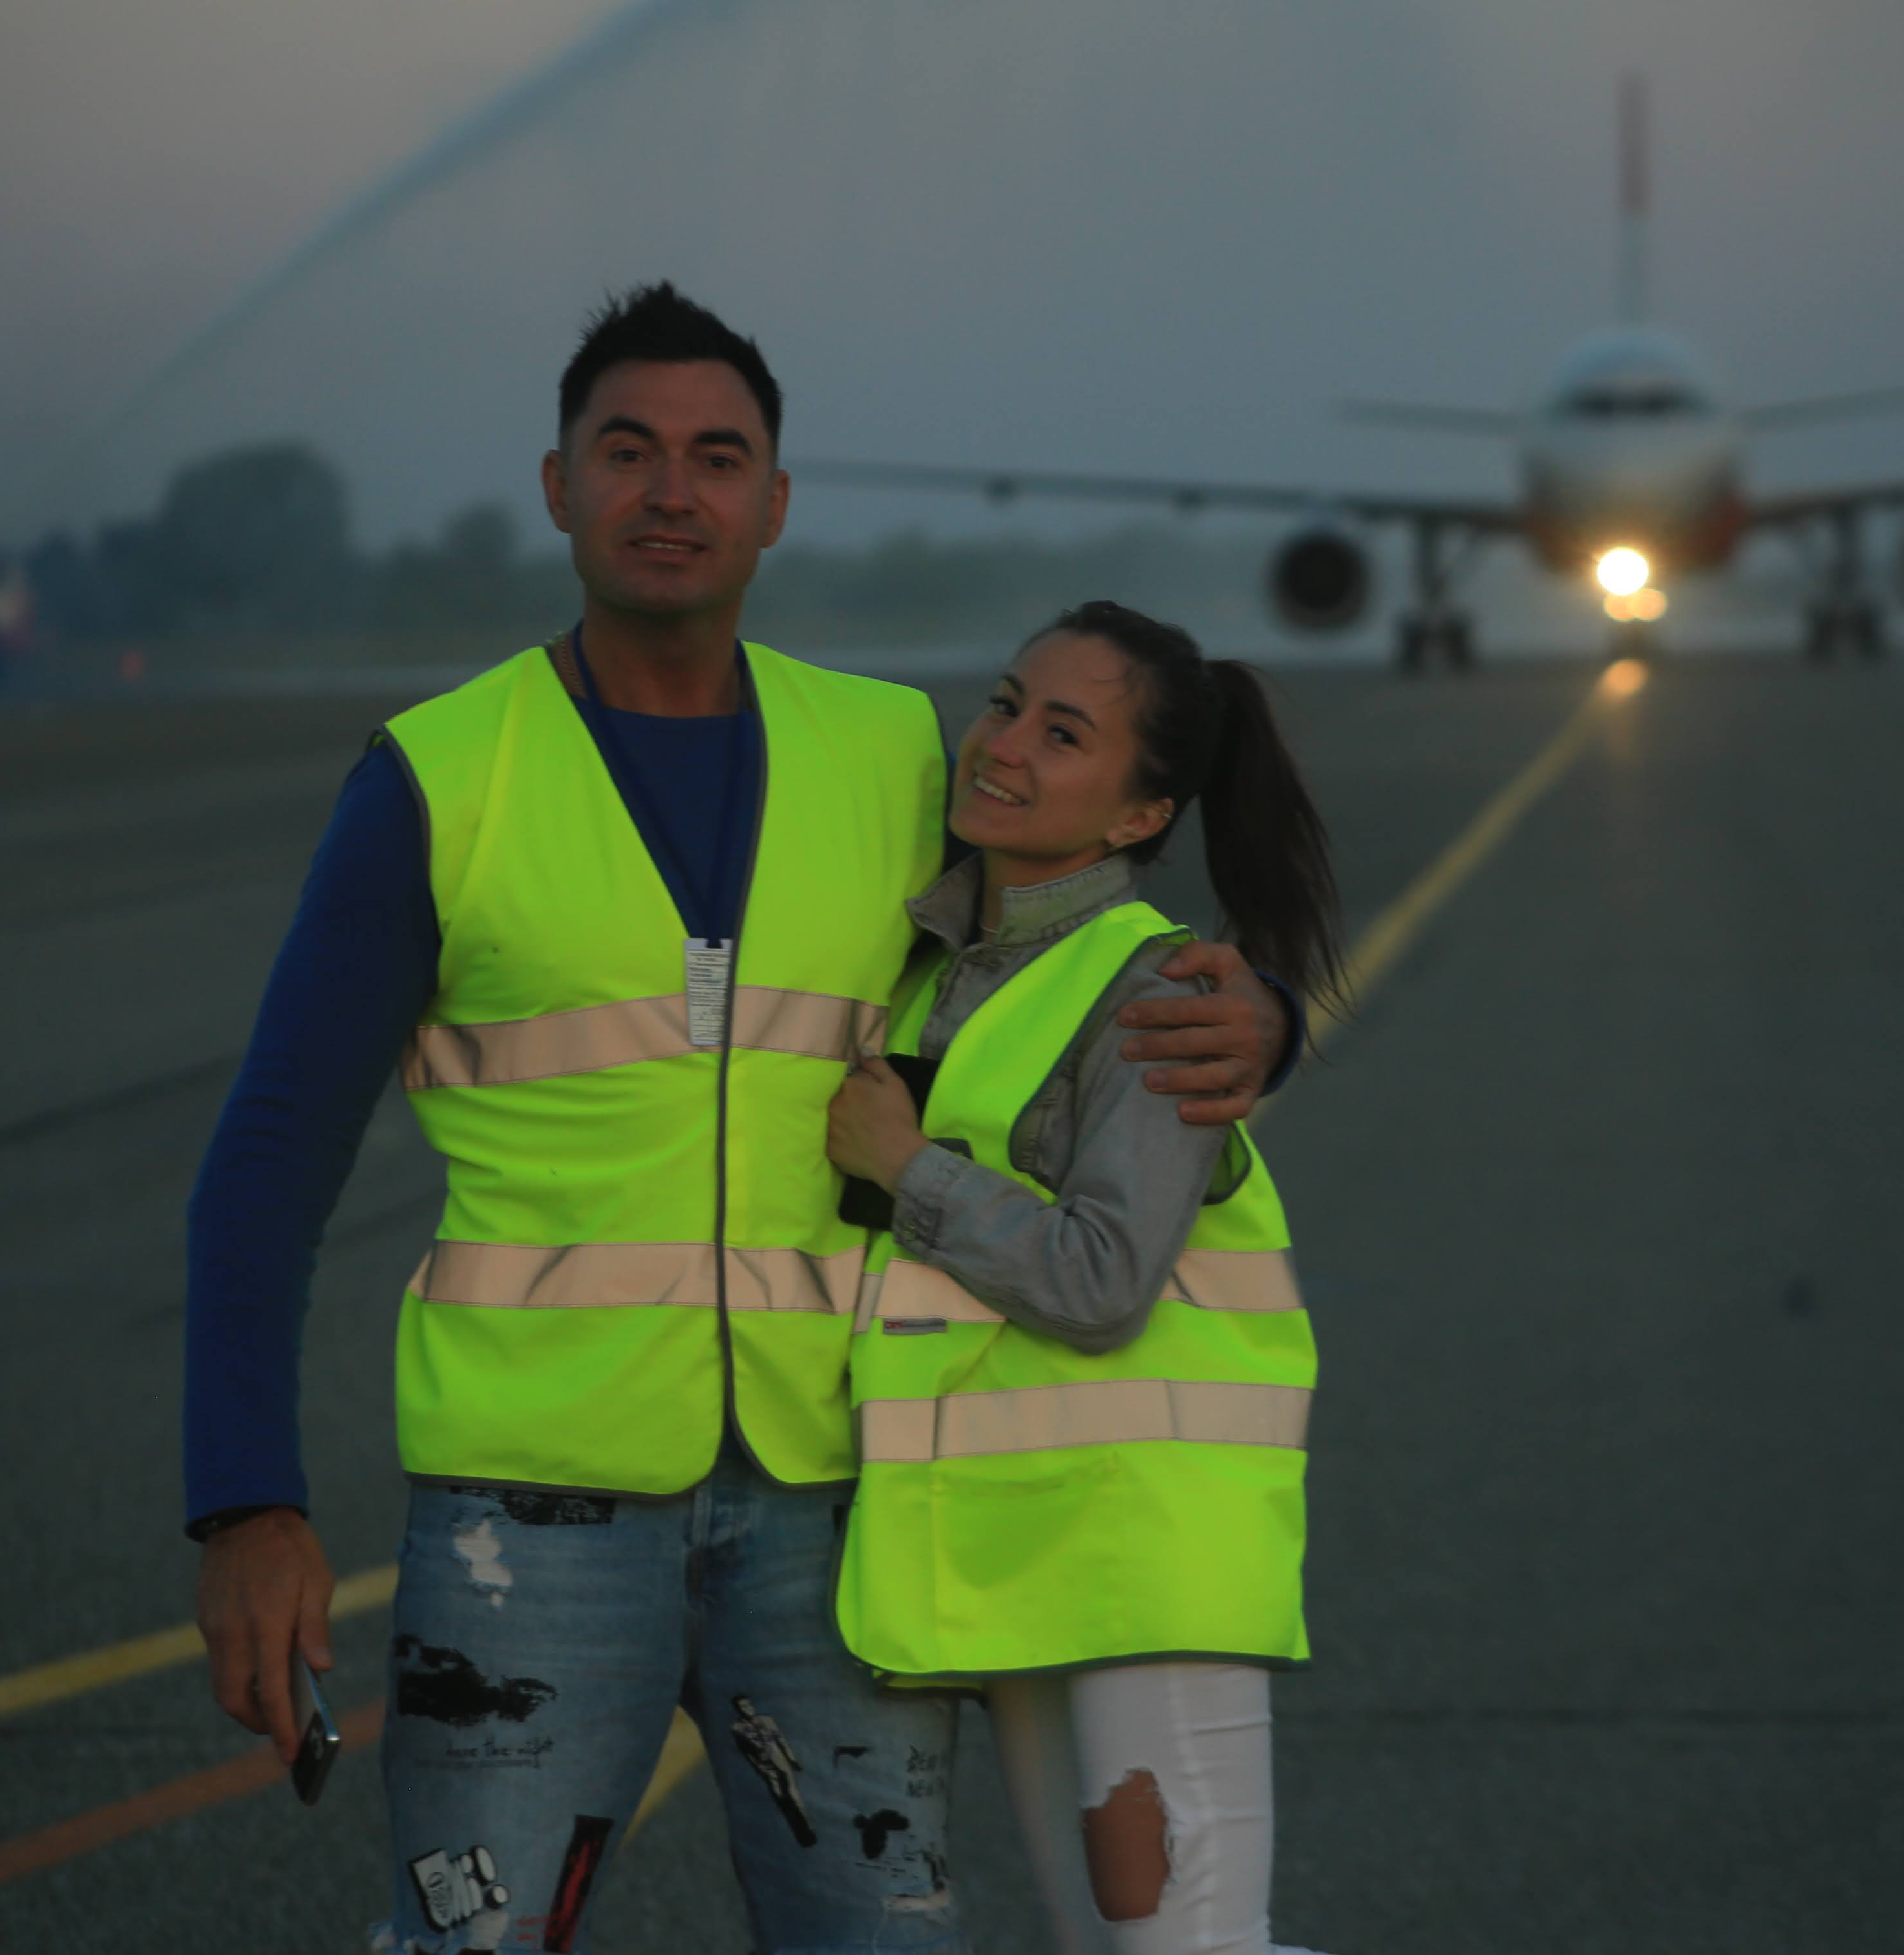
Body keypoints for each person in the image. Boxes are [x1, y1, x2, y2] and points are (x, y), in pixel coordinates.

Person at [182, 284, 1300, 1954]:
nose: (670, 489)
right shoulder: (438, 776)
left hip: (828, 1501)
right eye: (625, 449)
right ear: (557, 485)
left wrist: (1261, 1017)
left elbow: (1073, 931)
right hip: (529, 1511)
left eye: (717, 458)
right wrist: (245, 1500)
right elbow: (270, 1157)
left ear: (774, 504)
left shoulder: (891, 750)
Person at [825, 602, 1342, 1955]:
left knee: (1187, 1951)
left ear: (1139, 814)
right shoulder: (934, 972)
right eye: (1005, 704)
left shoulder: (1162, 994)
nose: (1002, 745)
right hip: (1017, 1549)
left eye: (1064, 735)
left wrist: (908, 1167)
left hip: (1142, 1558)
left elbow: (1102, 1278)